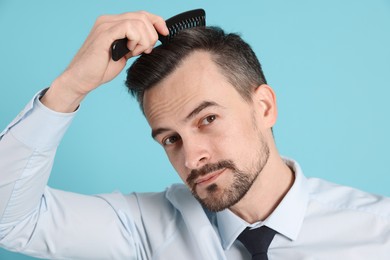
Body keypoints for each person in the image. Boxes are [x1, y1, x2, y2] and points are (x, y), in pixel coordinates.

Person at [0, 10, 389, 260]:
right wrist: (70, 87)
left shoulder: (378, 233)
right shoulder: (146, 230)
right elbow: (10, 222)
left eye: (207, 119)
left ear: (264, 108)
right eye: (170, 139)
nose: (192, 158)